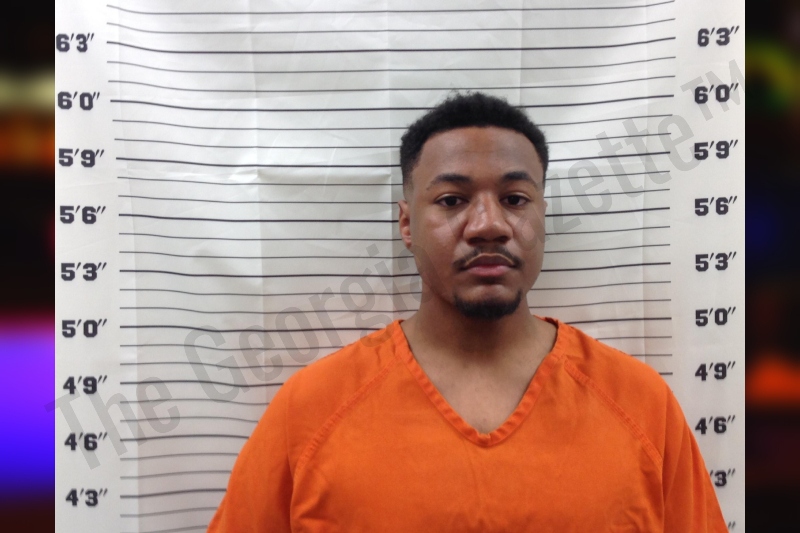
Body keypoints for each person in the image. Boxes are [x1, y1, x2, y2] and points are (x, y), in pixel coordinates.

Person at [207, 93, 727, 532]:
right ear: (406, 224)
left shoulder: (641, 406)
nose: (488, 225)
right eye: (452, 200)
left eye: (515, 199)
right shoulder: (310, 411)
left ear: (542, 216)